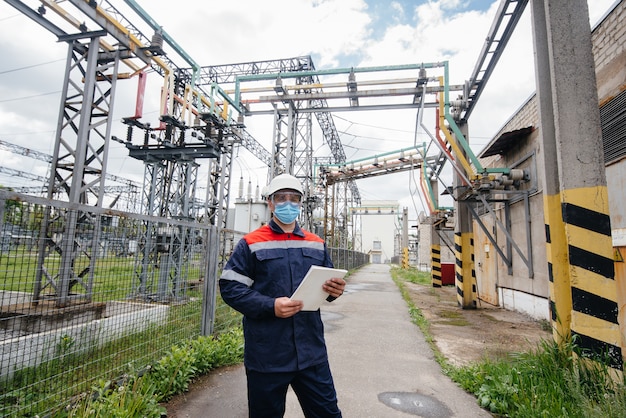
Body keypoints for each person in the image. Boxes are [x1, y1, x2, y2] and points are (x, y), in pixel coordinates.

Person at [219, 173, 346, 418]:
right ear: (270, 203)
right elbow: (230, 288)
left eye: (294, 198)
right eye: (281, 198)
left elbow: (326, 286)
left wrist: (335, 292)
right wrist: (270, 305)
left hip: (311, 353)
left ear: (300, 203)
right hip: (267, 354)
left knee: (328, 414)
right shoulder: (251, 243)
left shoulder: (316, 243)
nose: (288, 203)